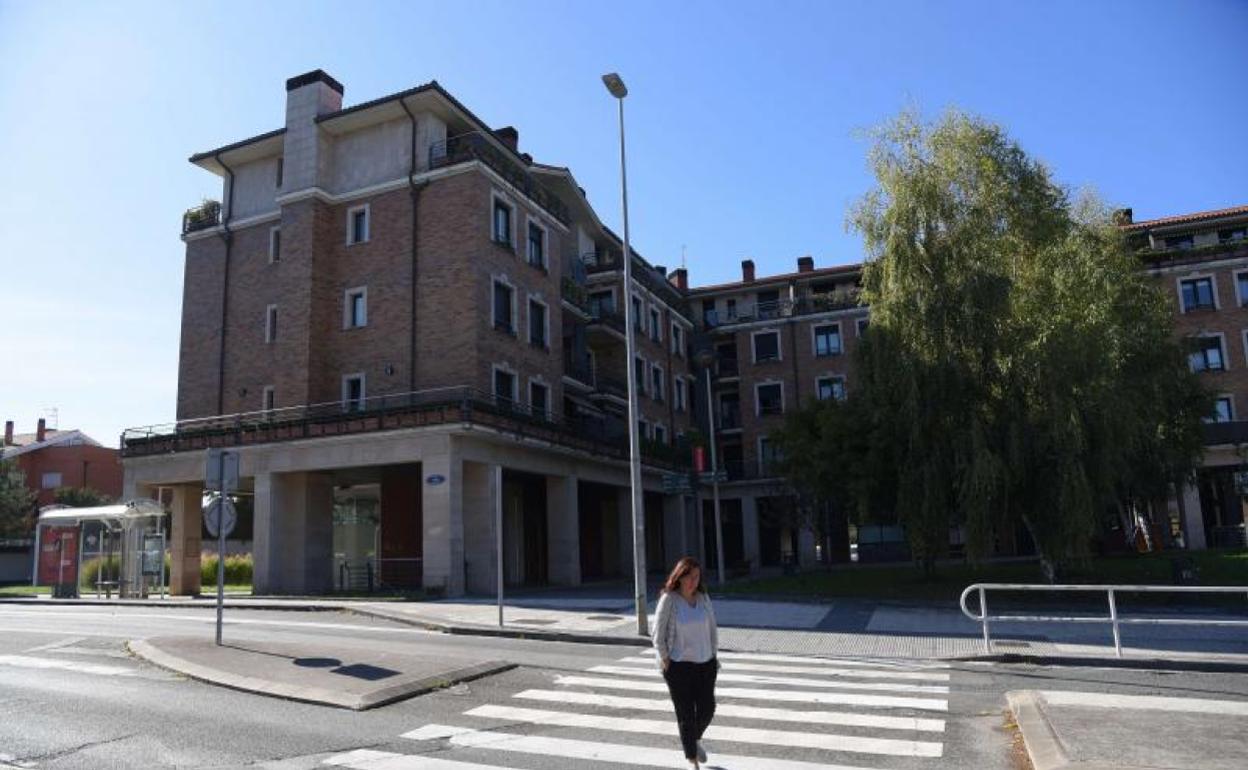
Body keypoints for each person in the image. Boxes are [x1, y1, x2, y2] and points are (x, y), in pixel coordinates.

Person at [652, 556, 719, 768]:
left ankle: (695, 739)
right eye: (689, 577)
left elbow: (712, 628)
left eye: (697, 577)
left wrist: (714, 656)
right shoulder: (669, 600)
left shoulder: (703, 598)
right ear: (679, 578)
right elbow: (657, 634)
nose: (693, 581)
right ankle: (692, 759)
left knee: (708, 708)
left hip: (706, 663)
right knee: (686, 714)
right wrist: (665, 658)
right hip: (679, 666)